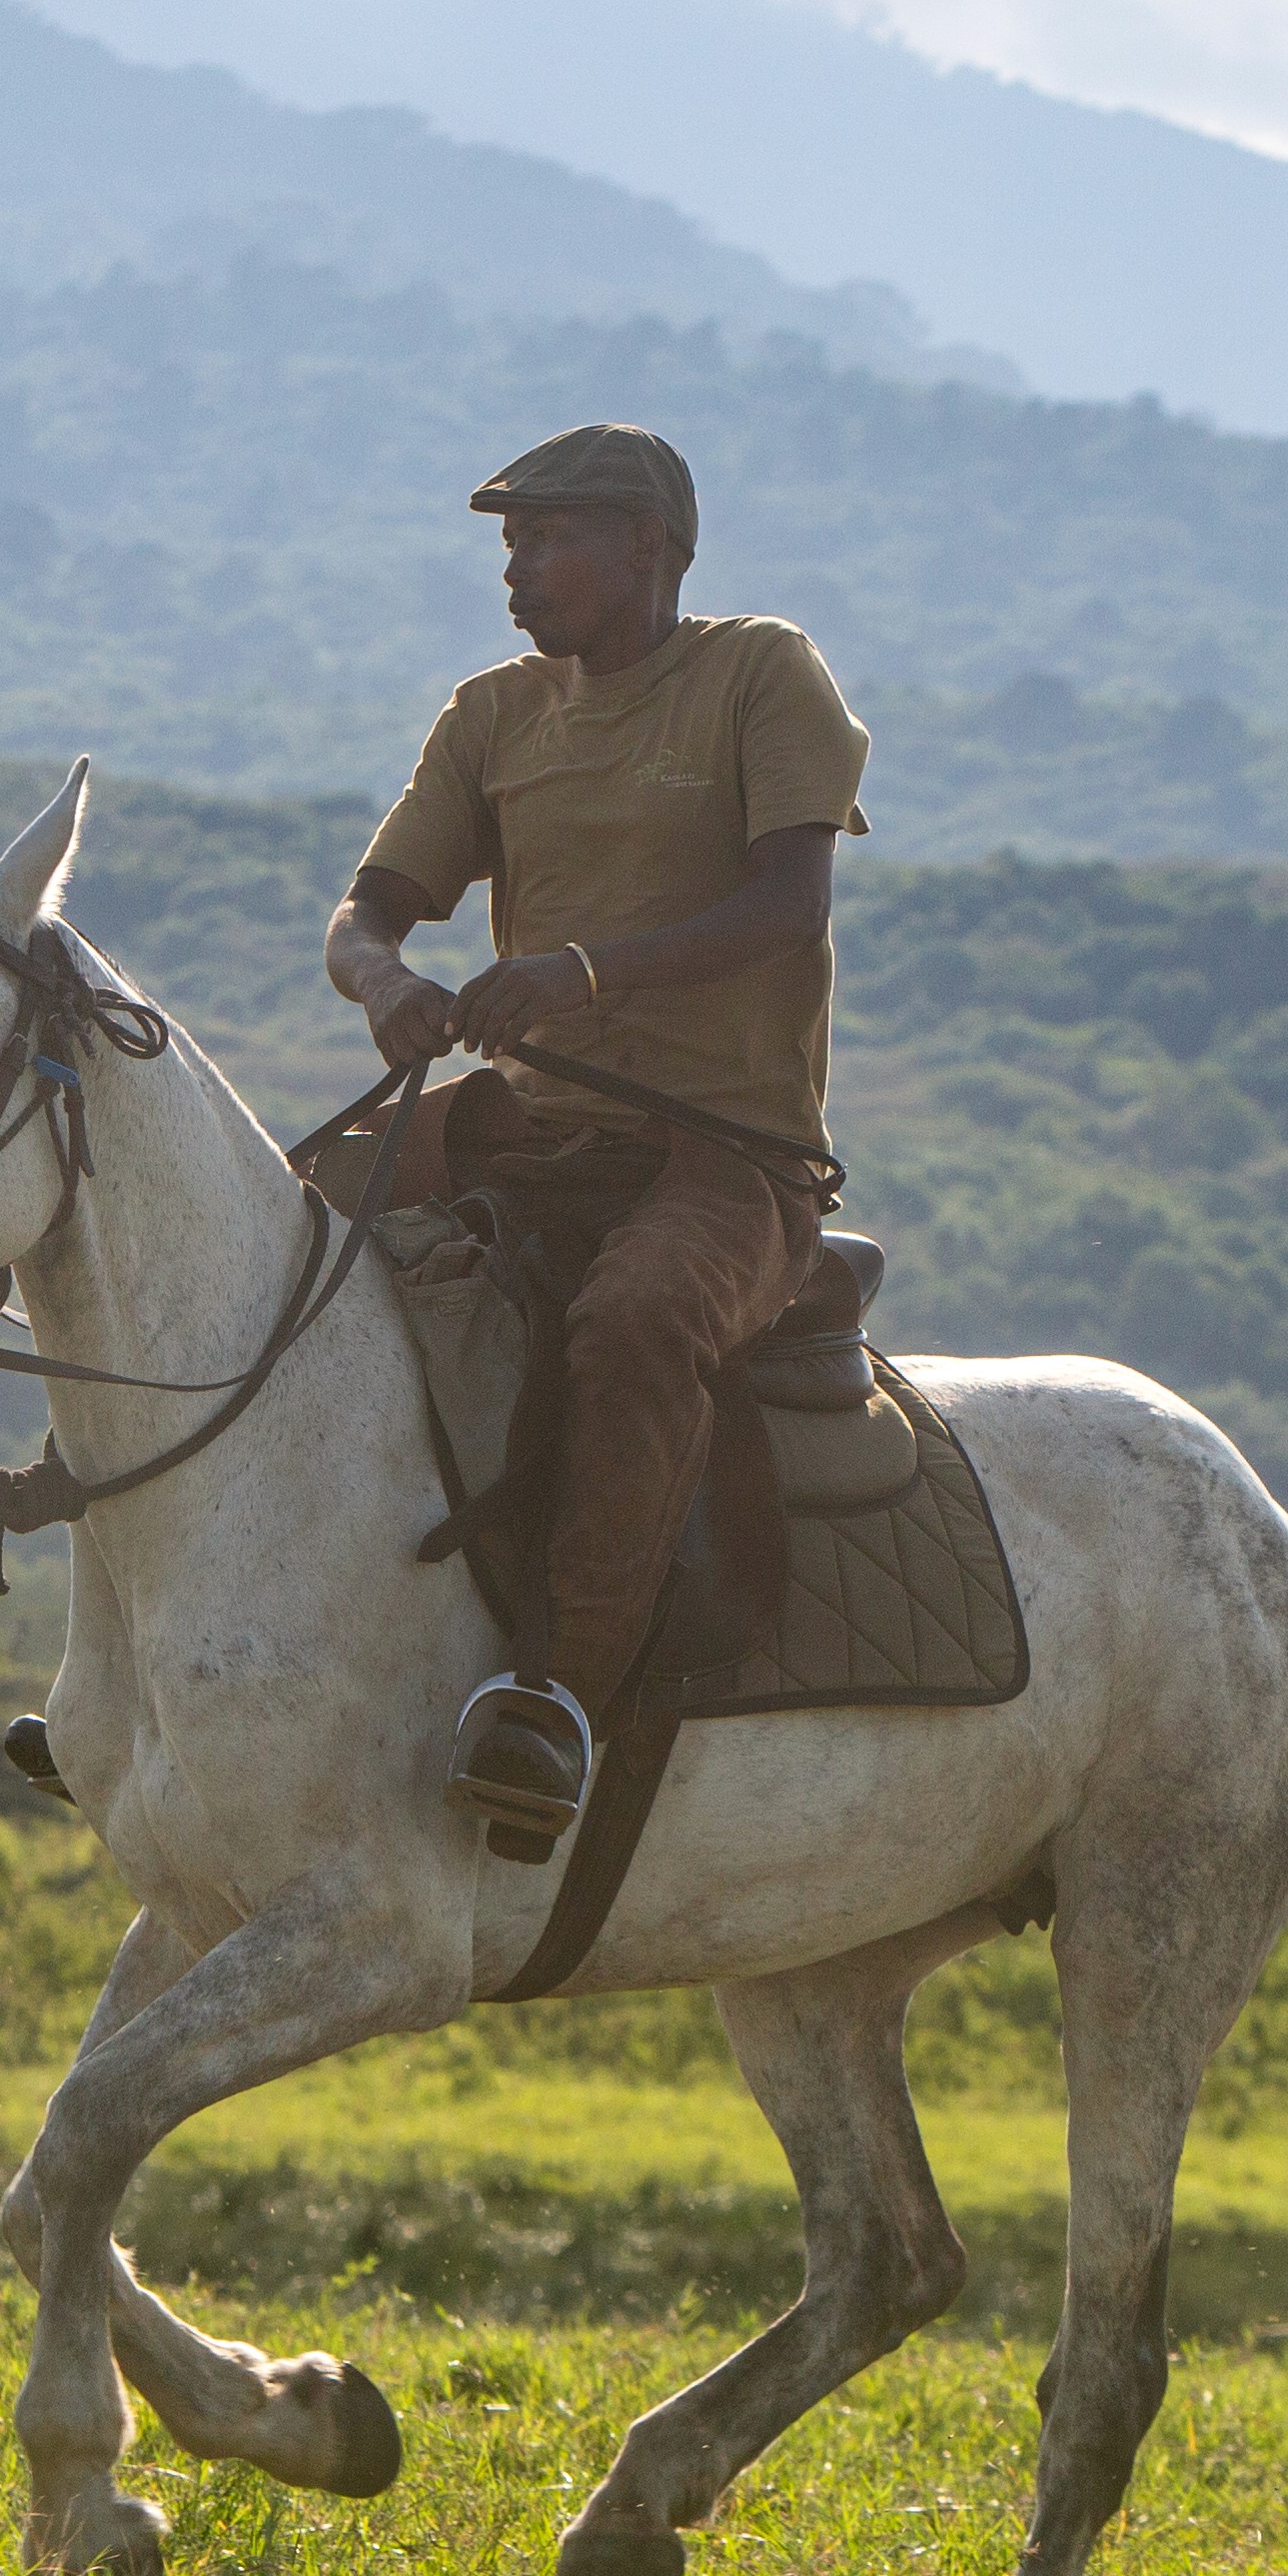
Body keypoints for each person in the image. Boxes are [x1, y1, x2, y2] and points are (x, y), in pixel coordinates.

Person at [325, 423, 871, 1842]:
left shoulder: (761, 673)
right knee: (281, 1234)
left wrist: (576, 974)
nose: (519, 568)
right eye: (510, 543)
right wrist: (387, 982)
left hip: (724, 1151)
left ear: (652, 547)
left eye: (552, 537)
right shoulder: (490, 714)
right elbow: (367, 911)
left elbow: (786, 907)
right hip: (528, 1120)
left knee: (632, 1326)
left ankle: (559, 1699)